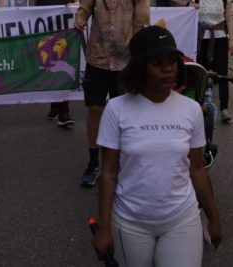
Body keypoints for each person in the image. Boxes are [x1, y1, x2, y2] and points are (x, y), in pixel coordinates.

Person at [92, 26, 222, 264]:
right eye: (157, 63)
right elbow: (108, 173)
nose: (168, 69)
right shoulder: (116, 109)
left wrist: (214, 217)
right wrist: (103, 228)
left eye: (172, 61)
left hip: (182, 219)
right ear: (140, 67)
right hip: (131, 223)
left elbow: (197, 169)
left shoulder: (191, 110)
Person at [75, 0, 151, 187]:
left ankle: (124, 163)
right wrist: (79, 18)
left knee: (124, 115)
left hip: (124, 64)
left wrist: (140, 62)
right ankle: (92, 162)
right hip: (97, 60)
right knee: (95, 110)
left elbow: (142, 25)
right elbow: (83, 9)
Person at [32, 0, 81, 128]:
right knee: (51, 69)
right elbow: (31, 9)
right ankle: (55, 105)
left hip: (64, 34)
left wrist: (71, 5)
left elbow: (77, 2)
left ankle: (64, 112)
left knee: (61, 67)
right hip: (45, 34)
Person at [195, 0, 233, 122]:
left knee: (223, 75)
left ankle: (224, 108)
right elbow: (189, 16)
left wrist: (231, 40)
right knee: (200, 73)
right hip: (202, 39)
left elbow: (229, 19)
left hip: (219, 39)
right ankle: (198, 105)